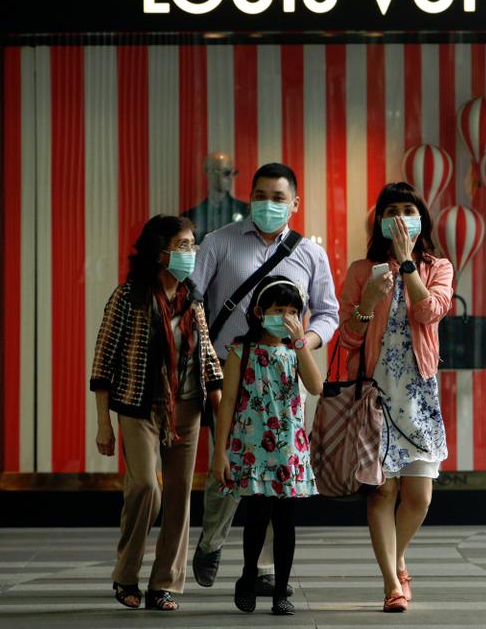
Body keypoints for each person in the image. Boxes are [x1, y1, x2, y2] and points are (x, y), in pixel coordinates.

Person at [191, 162, 339, 595]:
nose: (268, 204)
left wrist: (303, 344)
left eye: (278, 198)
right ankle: (212, 540)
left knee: (277, 472)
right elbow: (194, 302)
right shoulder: (218, 242)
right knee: (230, 464)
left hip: (287, 377)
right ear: (249, 197)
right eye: (260, 195)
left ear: (294, 203)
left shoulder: (310, 253)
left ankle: (267, 568)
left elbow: (328, 312)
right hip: (230, 370)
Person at [90, 215, 223, 611]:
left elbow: (207, 359)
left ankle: (165, 583)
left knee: (181, 496)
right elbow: (103, 363)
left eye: (192, 245)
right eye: (182, 245)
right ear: (159, 250)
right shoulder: (129, 297)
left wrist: (224, 420)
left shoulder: (192, 298)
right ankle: (126, 574)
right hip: (139, 407)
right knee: (146, 487)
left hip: (186, 409)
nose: (190, 252)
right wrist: (103, 424)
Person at [338, 182, 453, 613]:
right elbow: (348, 338)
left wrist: (408, 266)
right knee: (382, 494)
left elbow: (429, 312)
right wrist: (368, 299)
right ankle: (391, 583)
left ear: (420, 217)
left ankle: (397, 556)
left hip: (419, 396)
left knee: (419, 497)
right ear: (381, 221)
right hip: (374, 397)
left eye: (409, 209)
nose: (401, 217)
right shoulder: (361, 269)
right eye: (393, 210)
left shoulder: (438, 267)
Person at [213, 276, 323, 615]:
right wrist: (220, 453)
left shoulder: (294, 350)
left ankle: (280, 592)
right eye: (279, 310)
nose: (286, 317)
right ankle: (248, 577)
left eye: (293, 311)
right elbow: (228, 402)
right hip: (251, 447)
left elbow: (316, 386)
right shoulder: (239, 351)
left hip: (288, 449)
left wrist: (301, 340)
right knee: (257, 516)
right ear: (260, 312)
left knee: (286, 521)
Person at [181, 151, 250, 243]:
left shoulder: (247, 212)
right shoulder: (190, 217)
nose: (231, 177)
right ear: (209, 173)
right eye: (226, 172)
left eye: (233, 172)